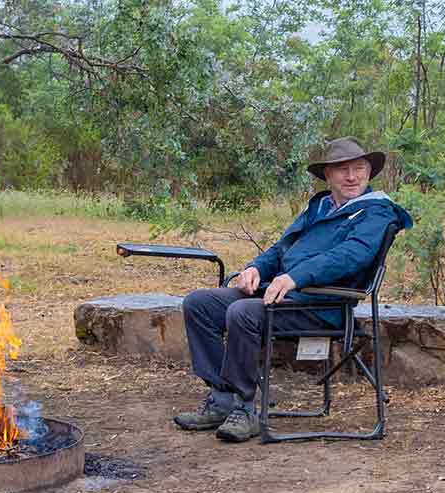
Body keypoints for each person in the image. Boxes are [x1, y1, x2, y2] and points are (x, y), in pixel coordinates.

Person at [175, 137, 413, 442]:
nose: (351, 176)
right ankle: (222, 399)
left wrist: (296, 277)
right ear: (328, 176)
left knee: (243, 311)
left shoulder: (377, 211)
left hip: (324, 305)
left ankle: (246, 409)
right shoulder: (321, 206)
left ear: (369, 172)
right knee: (199, 304)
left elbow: (353, 254)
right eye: (342, 169)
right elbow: (281, 248)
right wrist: (255, 268)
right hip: (284, 296)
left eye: (359, 168)